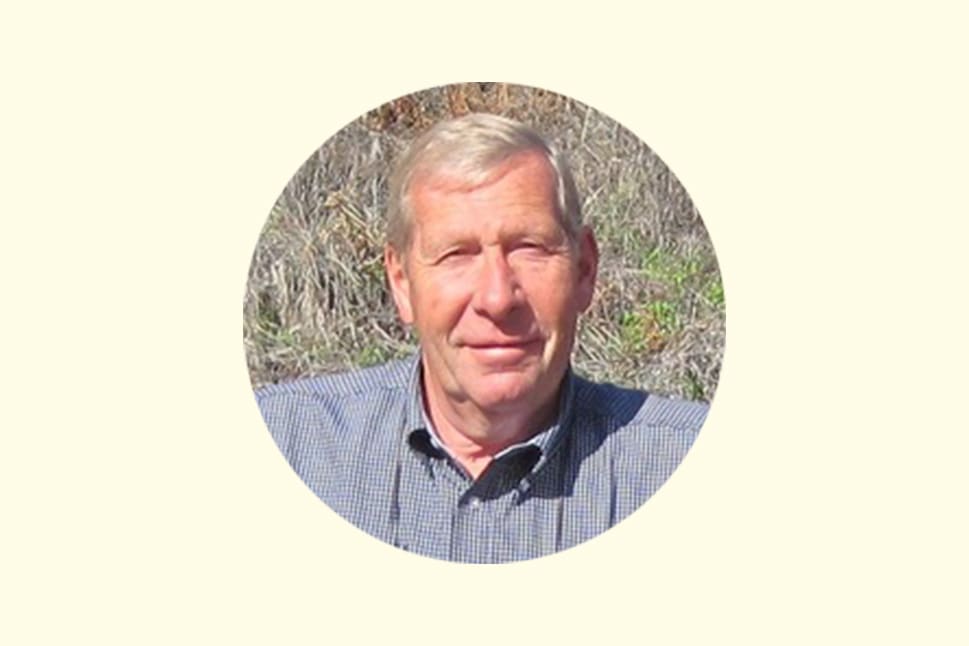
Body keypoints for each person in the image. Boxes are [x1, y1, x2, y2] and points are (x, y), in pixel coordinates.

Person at [256, 113, 709, 563]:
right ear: (401, 283)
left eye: (530, 248)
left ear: (584, 270)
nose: (497, 298)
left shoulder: (686, 466)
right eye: (457, 254)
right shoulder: (285, 446)